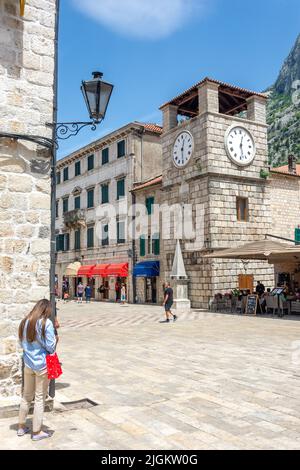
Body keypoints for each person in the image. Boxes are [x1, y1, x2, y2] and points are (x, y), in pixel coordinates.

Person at [18, 299, 57, 441]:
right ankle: (36, 432)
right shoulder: (46, 323)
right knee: (40, 398)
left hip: (28, 364)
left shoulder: (25, 321)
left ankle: (21, 427)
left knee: (26, 396)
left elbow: (21, 343)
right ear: (46, 310)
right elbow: (51, 347)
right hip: (42, 365)